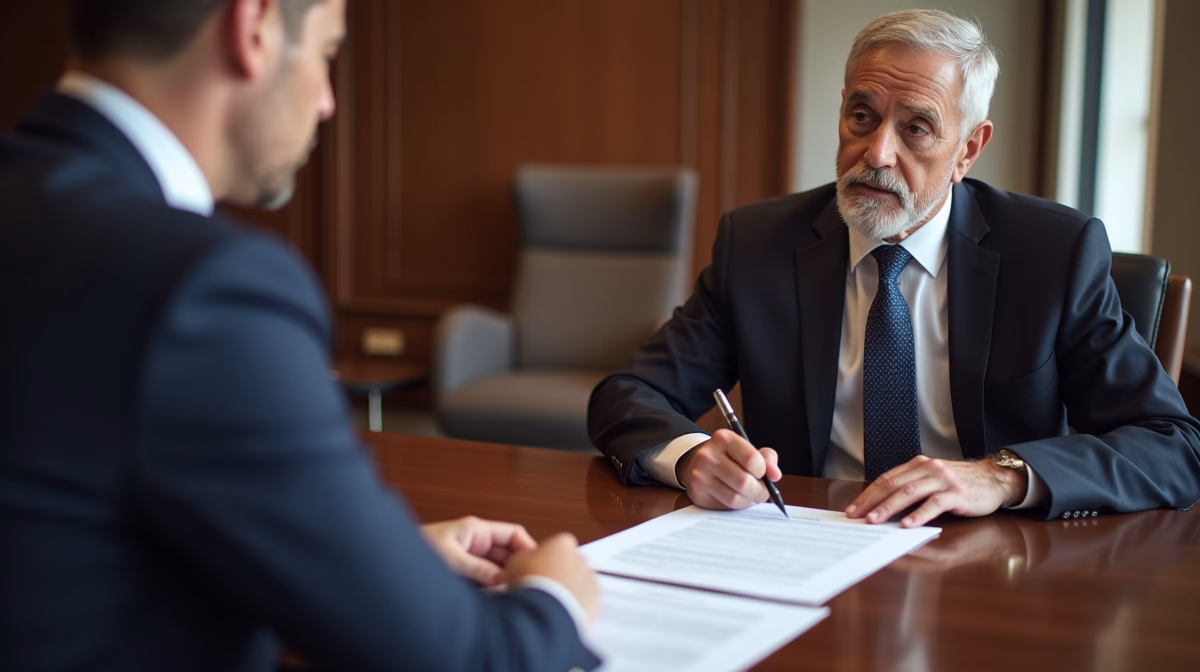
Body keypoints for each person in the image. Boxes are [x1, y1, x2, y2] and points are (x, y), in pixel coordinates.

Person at [0, 1, 600, 670]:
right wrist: (555, 598)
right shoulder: (206, 286)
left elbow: (68, 534)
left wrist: (366, 560)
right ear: (252, 27)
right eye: (327, 53)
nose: (327, 103)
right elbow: (460, 659)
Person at [588, 9, 1200, 528]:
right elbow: (629, 394)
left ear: (968, 149)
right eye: (862, 116)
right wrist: (692, 456)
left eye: (917, 128)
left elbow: (1173, 445)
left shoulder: (1053, 254)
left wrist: (1004, 476)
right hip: (805, 540)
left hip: (989, 562)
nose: (877, 152)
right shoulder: (759, 245)